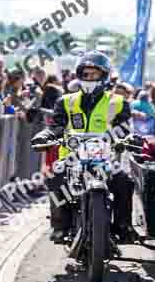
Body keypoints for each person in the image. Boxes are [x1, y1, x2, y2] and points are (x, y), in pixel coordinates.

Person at [30, 51, 136, 243]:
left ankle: (123, 226)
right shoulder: (66, 101)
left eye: (94, 74)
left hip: (105, 158)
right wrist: (43, 136)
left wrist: (125, 138)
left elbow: (125, 127)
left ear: (104, 75)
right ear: (79, 75)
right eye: (85, 74)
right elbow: (56, 127)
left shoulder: (119, 102)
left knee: (125, 181)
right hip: (72, 157)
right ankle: (60, 225)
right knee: (55, 176)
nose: (89, 78)